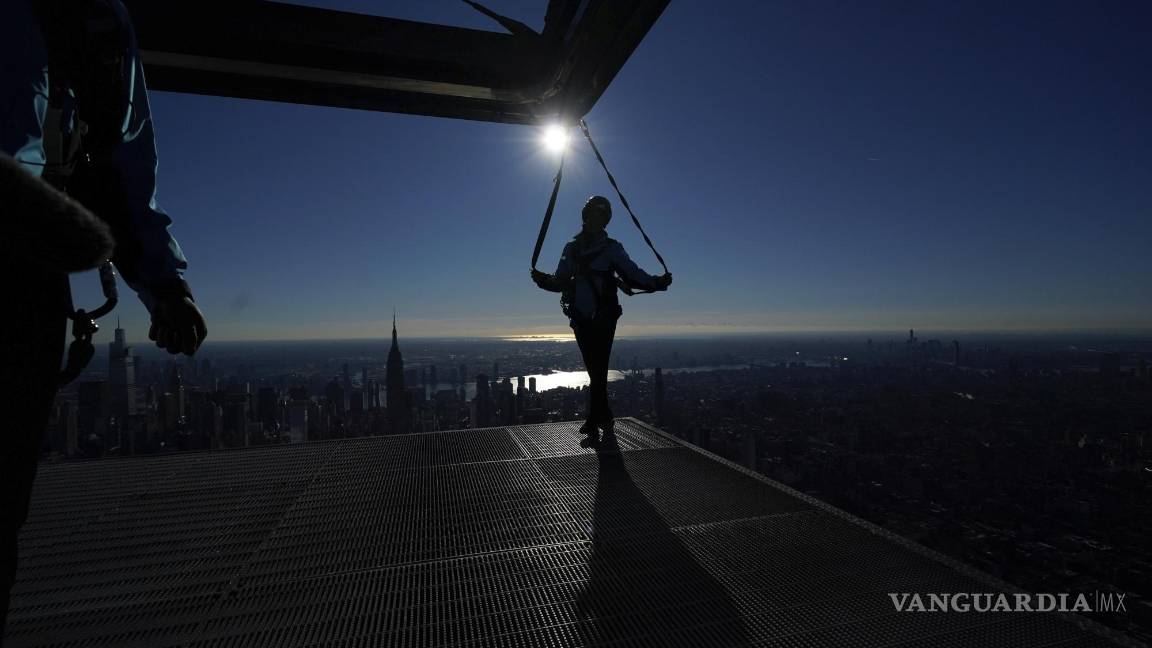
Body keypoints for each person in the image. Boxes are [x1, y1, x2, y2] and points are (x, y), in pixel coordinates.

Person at [0, 0, 207, 637]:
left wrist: (165, 286)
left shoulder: (95, 23)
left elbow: (121, 163)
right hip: (27, 259)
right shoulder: (93, 22)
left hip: (23, 268)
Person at [532, 195, 671, 440]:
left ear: (604, 220)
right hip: (581, 317)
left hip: (604, 317)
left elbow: (632, 274)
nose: (596, 220)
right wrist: (543, 281)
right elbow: (561, 280)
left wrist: (655, 282)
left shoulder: (611, 248)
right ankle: (603, 417)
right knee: (595, 369)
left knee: (598, 368)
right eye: (593, 215)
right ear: (586, 217)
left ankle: (594, 421)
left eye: (600, 216)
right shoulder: (572, 248)